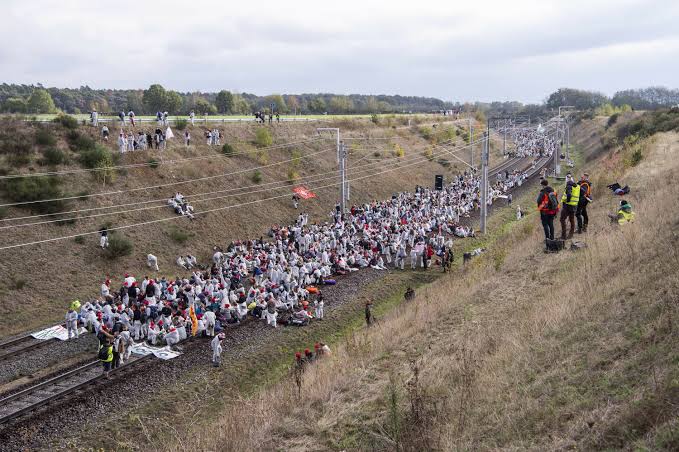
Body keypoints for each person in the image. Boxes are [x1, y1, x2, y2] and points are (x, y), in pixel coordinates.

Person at [560, 175, 580, 240]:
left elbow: (569, 194)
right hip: (574, 206)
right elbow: (583, 192)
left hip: (567, 206)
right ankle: (571, 235)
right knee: (572, 220)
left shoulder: (568, 185)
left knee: (562, 219)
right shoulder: (578, 186)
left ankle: (564, 235)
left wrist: (567, 201)